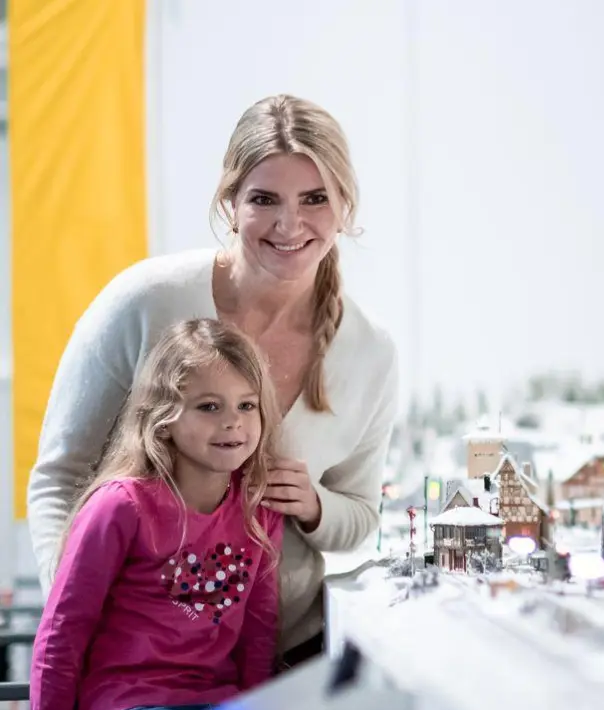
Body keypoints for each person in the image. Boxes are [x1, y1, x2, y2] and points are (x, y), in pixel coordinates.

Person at [27, 95, 399, 674]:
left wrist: (314, 505)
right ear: (230, 203)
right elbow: (60, 478)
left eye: (315, 199)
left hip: (282, 661)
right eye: (264, 199)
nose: (290, 224)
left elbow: (360, 517)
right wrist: (76, 619)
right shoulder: (147, 302)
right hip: (130, 669)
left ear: (345, 206)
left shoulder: (371, 352)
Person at [25, 319, 286, 710]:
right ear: (163, 417)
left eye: (246, 405)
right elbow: (62, 630)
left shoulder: (259, 512)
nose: (233, 422)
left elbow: (258, 635)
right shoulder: (120, 507)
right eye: (210, 406)